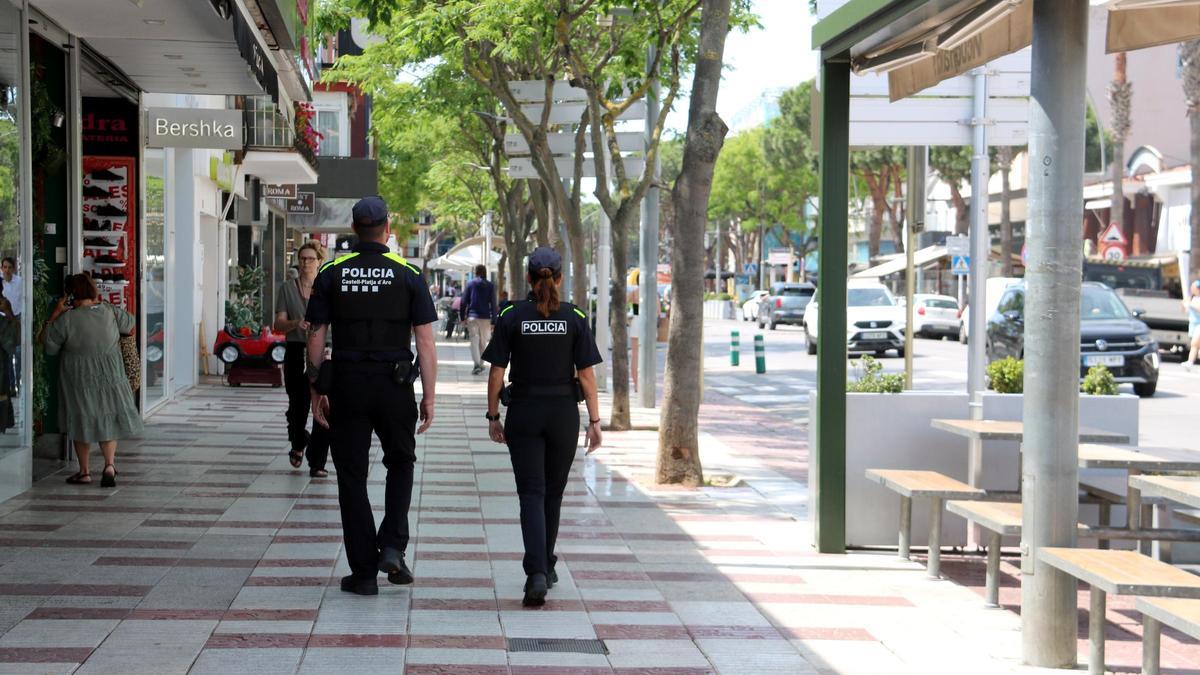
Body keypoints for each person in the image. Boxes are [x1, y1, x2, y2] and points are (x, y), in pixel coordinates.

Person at [305, 196, 438, 596]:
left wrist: (317, 386)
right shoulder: (407, 272)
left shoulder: (332, 271)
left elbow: (315, 334)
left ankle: (363, 572)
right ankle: (393, 545)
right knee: (401, 461)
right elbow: (426, 342)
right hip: (394, 383)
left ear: (353, 227)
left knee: (351, 474)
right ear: (387, 227)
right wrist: (429, 396)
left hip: (347, 382)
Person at [482, 247, 603, 607]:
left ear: (529, 279)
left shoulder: (511, 315)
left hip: (524, 413)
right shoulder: (575, 316)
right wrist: (595, 422)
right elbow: (587, 375)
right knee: (553, 493)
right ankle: (545, 565)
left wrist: (492, 417)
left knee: (531, 494)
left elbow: (496, 373)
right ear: (560, 278)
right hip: (563, 413)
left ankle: (537, 571)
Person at [42, 274, 142, 486]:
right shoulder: (108, 311)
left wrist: (54, 315)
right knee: (108, 420)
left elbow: (50, 347)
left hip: (79, 380)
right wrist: (104, 304)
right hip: (111, 376)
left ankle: (85, 471)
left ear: (70, 295)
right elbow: (129, 322)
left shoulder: (67, 320)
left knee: (82, 421)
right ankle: (109, 465)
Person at [275, 241, 331, 477]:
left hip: (324, 352)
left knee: (325, 405)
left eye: (310, 258)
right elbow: (277, 324)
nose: (305, 263)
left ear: (319, 261)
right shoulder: (287, 288)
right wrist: (295, 323)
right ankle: (299, 443)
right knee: (298, 405)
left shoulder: (329, 287)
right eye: (302, 258)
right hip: (297, 350)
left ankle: (317, 462)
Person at [461, 264, 496, 375]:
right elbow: (493, 304)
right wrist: (494, 320)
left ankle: (476, 364)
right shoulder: (490, 285)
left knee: (474, 340)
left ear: (475, 272)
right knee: (483, 342)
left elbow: (463, 301)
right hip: (486, 317)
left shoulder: (470, 284)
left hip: (472, 316)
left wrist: (462, 317)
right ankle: (481, 364)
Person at [1184, 280, 1200, 371]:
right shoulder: (1193, 298)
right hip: (1193, 324)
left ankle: (1189, 362)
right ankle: (1190, 362)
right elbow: (1187, 312)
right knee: (1197, 346)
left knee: (1194, 344)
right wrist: (1184, 305)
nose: (1191, 289)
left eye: (1193, 287)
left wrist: (1190, 304)